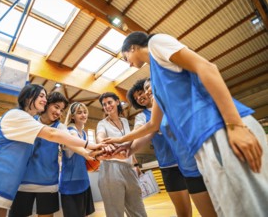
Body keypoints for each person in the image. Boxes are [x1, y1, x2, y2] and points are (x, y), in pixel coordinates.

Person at [103, 32, 268, 216]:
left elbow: (207, 67)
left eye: (126, 57)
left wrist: (235, 125)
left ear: (132, 47)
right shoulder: (156, 82)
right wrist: (123, 143)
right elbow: (152, 125)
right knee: (233, 211)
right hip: (201, 144)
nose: (128, 63)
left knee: (253, 208)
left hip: (218, 129)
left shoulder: (156, 44)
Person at [0, 84, 104, 217]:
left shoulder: (47, 125)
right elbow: (53, 134)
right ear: (29, 97)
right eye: (41, 96)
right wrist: (89, 145)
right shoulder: (18, 116)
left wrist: (87, 153)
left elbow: (67, 141)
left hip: (5, 191)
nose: (44, 99)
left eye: (45, 96)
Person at [127, 78, 216, 217]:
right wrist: (126, 146)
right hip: (169, 166)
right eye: (136, 98)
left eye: (141, 93)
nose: (139, 97)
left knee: (209, 208)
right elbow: (138, 132)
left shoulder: (170, 103)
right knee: (183, 212)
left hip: (192, 161)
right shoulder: (142, 116)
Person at [9, 91, 69, 217]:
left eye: (62, 110)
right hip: (23, 183)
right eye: (56, 107)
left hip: (48, 184)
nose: (59, 112)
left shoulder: (60, 127)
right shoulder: (30, 120)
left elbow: (70, 142)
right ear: (47, 104)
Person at [96, 92, 147, 217]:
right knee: (115, 213)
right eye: (104, 104)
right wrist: (102, 142)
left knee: (138, 210)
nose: (107, 106)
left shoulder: (124, 121)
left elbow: (130, 144)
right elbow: (99, 136)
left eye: (110, 102)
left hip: (129, 168)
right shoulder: (102, 124)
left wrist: (135, 164)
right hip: (110, 168)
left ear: (117, 102)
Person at [59, 102, 95, 217]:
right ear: (72, 116)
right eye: (79, 113)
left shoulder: (84, 134)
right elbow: (76, 141)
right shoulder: (70, 131)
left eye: (85, 112)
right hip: (70, 183)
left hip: (84, 180)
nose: (83, 115)